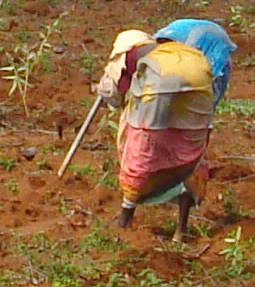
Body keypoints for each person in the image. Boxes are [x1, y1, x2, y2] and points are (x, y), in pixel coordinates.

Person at [99, 17, 234, 239]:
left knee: (142, 146)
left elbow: (114, 94)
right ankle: (181, 229)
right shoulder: (174, 44)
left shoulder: (128, 55)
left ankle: (126, 216)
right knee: (192, 149)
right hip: (204, 73)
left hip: (164, 78)